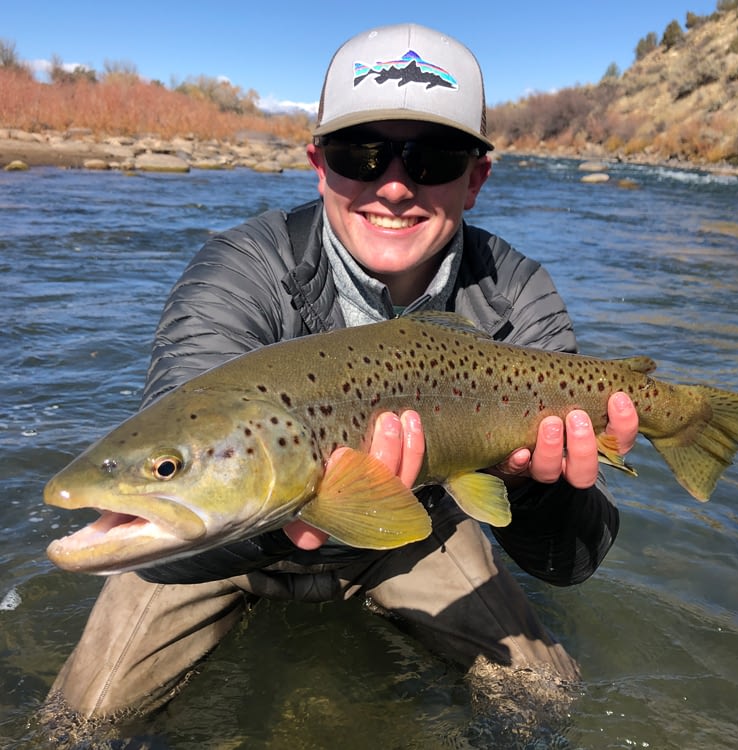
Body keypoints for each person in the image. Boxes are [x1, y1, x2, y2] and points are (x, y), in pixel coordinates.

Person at [47, 23, 638, 735]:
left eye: (434, 157)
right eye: (359, 154)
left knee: (543, 703)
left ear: (477, 177)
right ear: (317, 163)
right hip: (220, 547)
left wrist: (533, 487)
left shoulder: (515, 297)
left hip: (418, 531)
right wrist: (304, 516)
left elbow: (572, 560)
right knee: (77, 728)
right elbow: (179, 511)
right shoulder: (237, 273)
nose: (393, 186)